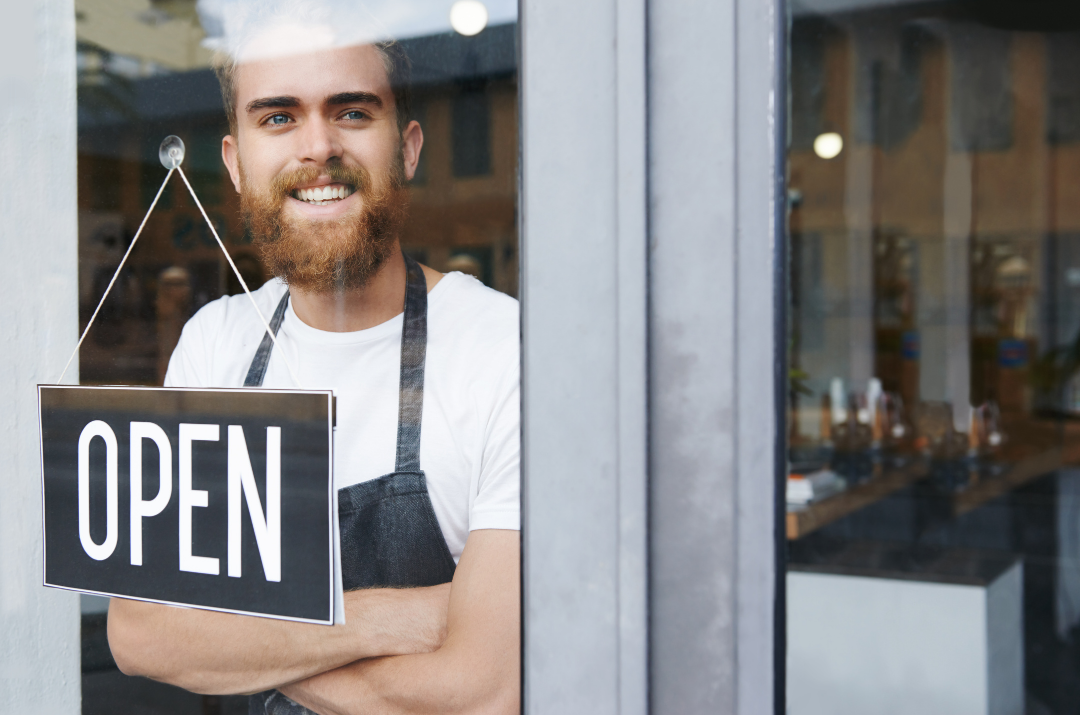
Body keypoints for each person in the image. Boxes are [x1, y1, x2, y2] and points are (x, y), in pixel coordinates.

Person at [106, 17, 520, 715]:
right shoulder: (217, 345)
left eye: (353, 111)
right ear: (236, 164)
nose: (319, 147)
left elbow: (482, 691)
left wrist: (236, 646)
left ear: (407, 148)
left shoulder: (502, 349)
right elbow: (141, 633)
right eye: (279, 117)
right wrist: (398, 618)